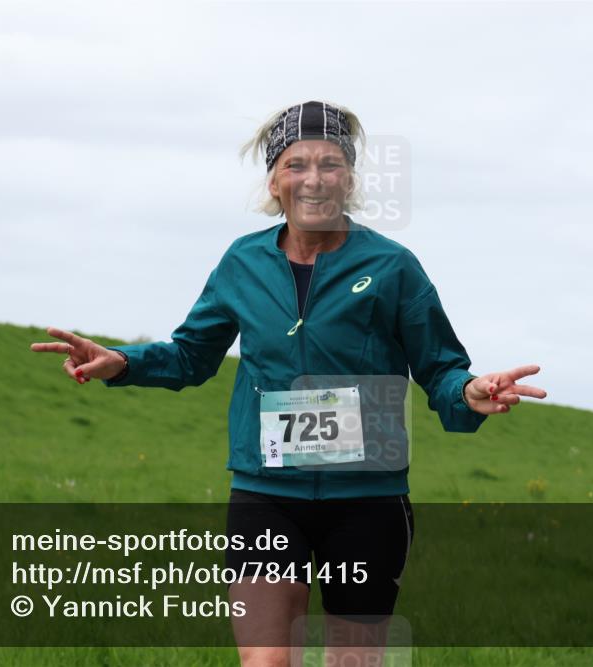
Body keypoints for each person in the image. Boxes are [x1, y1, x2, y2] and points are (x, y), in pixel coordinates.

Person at [31, 100, 547, 667]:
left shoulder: (394, 267)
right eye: (297, 164)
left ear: (349, 179)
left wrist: (468, 392)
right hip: (266, 497)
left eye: (330, 164)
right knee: (268, 661)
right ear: (275, 181)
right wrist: (123, 363)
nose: (314, 179)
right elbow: (190, 356)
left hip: (367, 500)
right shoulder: (242, 263)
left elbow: (440, 366)